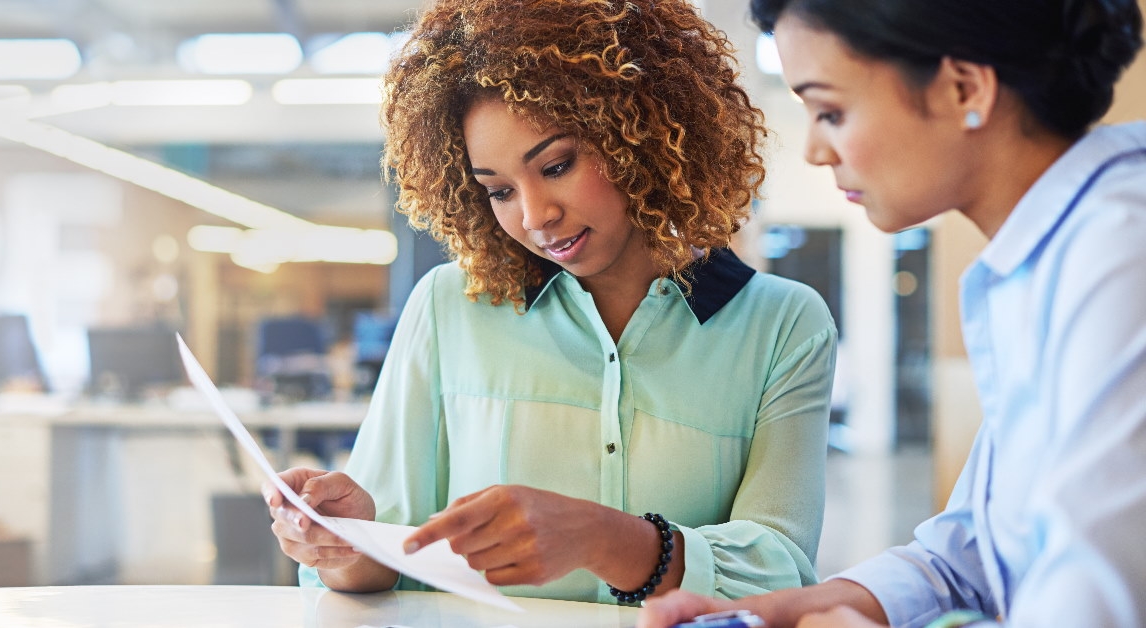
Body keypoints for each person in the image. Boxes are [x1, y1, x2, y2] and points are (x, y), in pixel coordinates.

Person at [263, 0, 838, 606]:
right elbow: (389, 562)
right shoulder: (448, 306)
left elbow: (783, 570)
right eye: (500, 191)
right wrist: (347, 546)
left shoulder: (783, 326)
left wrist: (607, 539)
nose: (535, 217)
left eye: (557, 165)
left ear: (637, 133)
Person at [638, 0, 1146, 626]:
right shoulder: (1034, 263)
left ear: (964, 87)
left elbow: (1094, 607)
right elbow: (962, 563)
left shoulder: (1122, 248)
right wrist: (764, 614)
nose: (816, 151)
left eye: (830, 111)